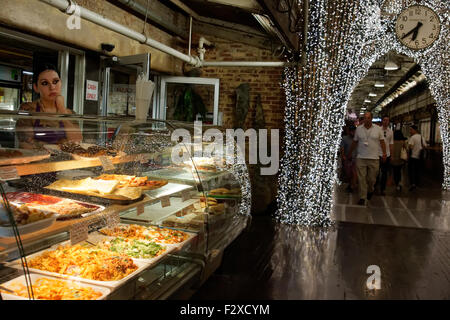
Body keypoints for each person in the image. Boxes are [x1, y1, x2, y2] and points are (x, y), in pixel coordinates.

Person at [16, 63, 82, 149]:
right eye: (45, 83)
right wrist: (62, 144)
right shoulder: (28, 109)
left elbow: (77, 141)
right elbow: (25, 144)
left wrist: (62, 110)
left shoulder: (70, 113)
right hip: (38, 161)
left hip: (64, 161)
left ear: (61, 83)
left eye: (55, 81)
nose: (52, 87)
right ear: (36, 87)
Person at [348, 111, 387, 206]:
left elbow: (382, 142)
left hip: (374, 158)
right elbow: (355, 142)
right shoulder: (359, 129)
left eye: (368, 117)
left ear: (371, 119)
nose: (366, 119)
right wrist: (350, 153)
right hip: (361, 157)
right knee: (361, 179)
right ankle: (362, 197)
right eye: (365, 117)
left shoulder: (378, 129)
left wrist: (384, 154)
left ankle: (371, 189)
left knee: (371, 179)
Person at [408, 125, 427, 191]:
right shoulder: (422, 137)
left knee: (411, 171)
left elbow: (410, 147)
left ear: (414, 130)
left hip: (413, 157)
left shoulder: (412, 137)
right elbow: (425, 146)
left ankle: (413, 184)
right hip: (420, 157)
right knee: (418, 170)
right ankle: (417, 183)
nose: (410, 131)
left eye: (411, 130)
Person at [378, 116, 394, 195]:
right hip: (377, 154)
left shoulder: (391, 132)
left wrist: (391, 155)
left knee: (384, 173)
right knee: (376, 172)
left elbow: (391, 144)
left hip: (387, 155)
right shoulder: (378, 130)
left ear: (389, 122)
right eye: (384, 120)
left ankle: (382, 189)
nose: (385, 122)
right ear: (382, 121)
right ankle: (374, 187)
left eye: (387, 120)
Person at [340, 125, 357, 192]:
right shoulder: (345, 138)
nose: (353, 132)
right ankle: (350, 184)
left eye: (354, 131)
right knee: (349, 174)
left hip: (356, 158)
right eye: (351, 131)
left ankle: (353, 186)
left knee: (354, 172)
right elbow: (342, 148)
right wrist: (343, 155)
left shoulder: (357, 138)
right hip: (348, 158)